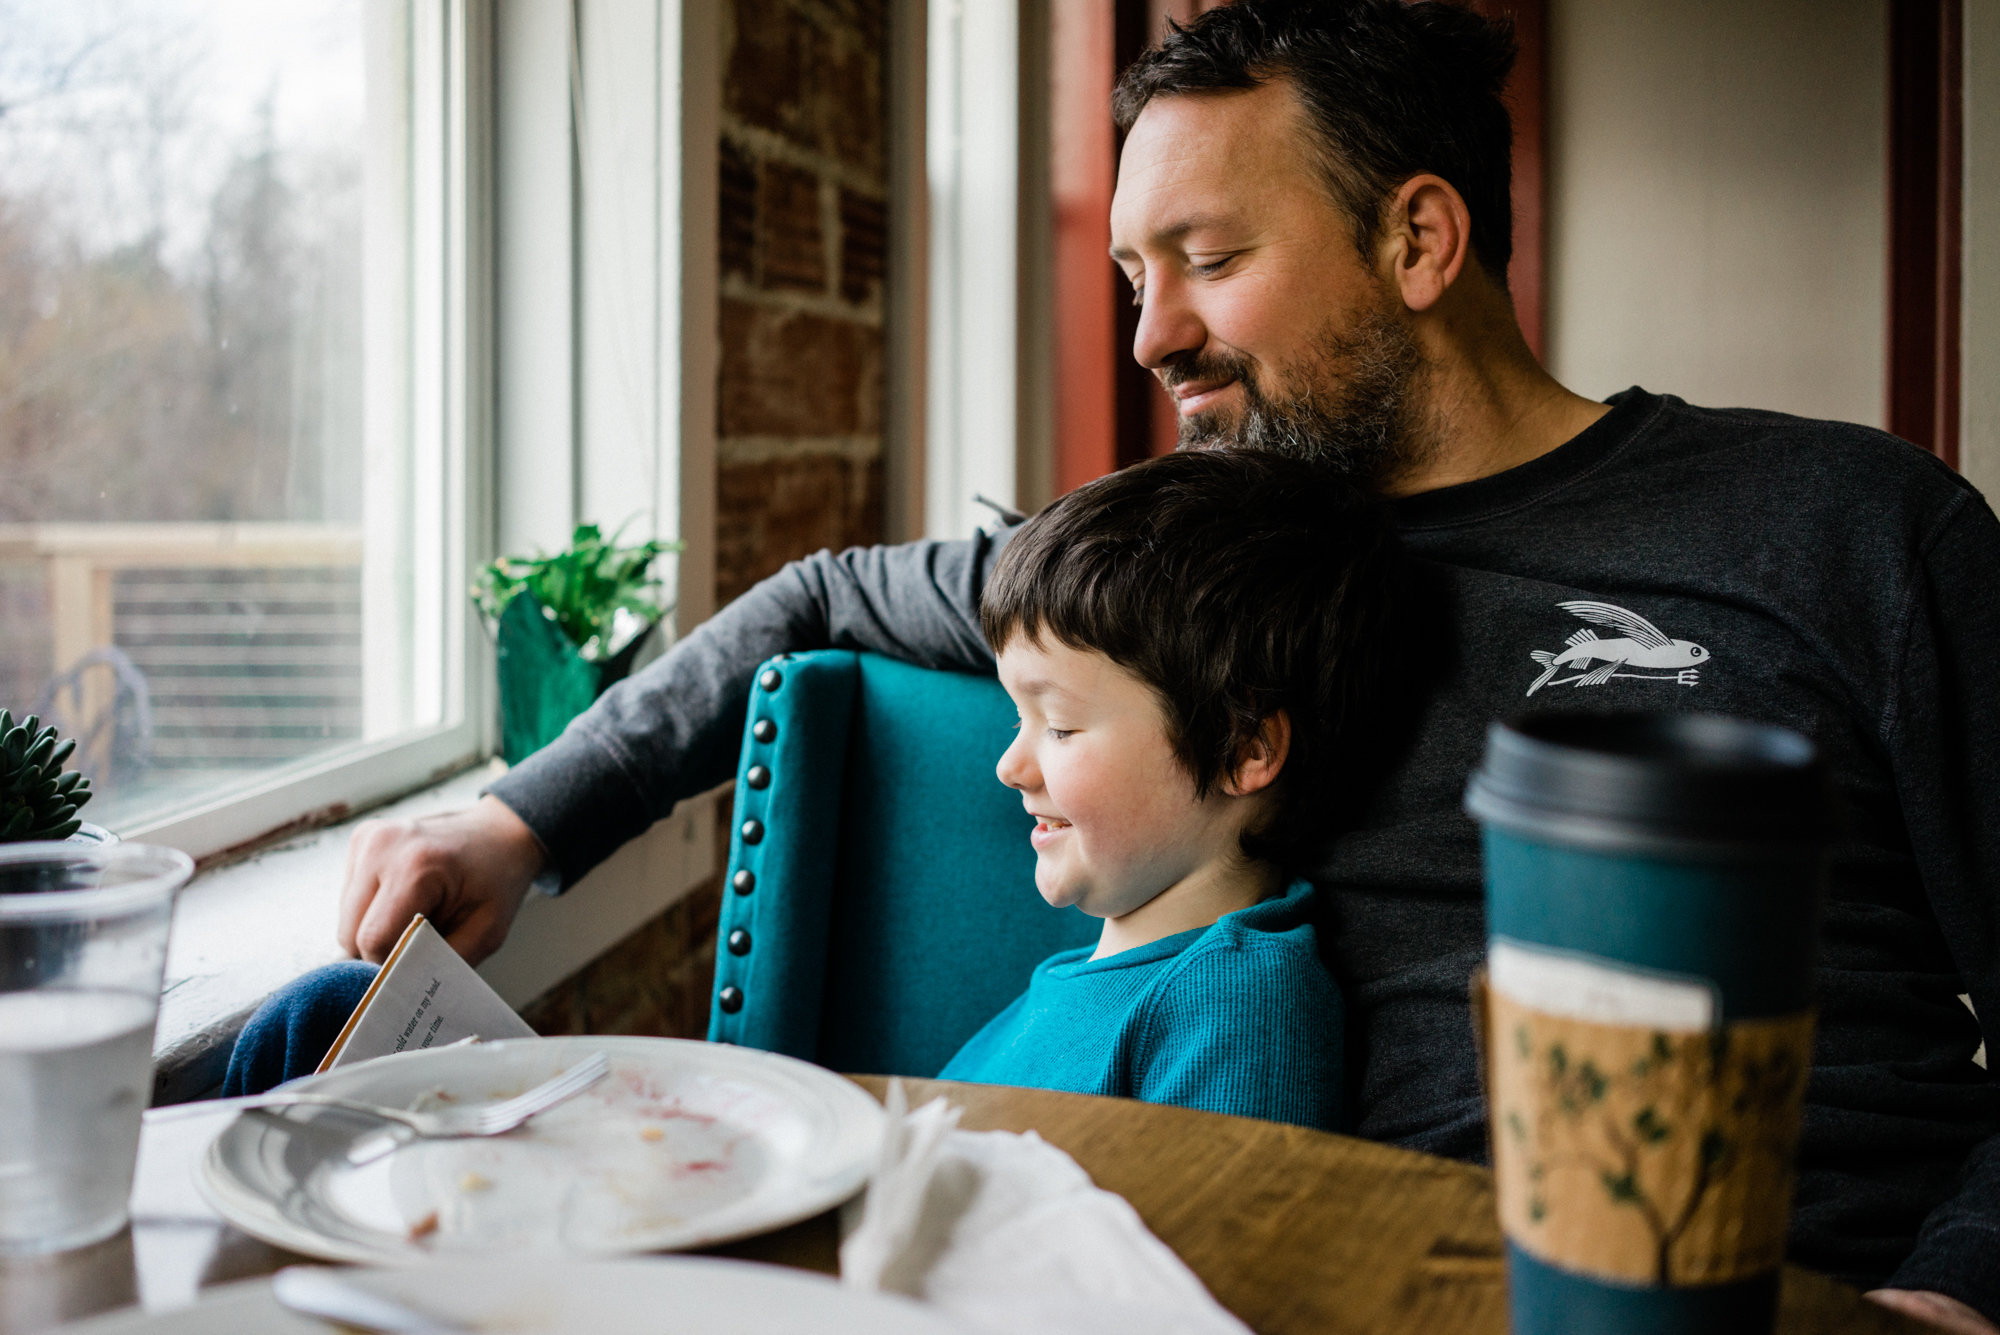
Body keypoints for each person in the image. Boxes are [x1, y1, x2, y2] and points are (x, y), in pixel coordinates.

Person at [232, 3, 1998, 1327]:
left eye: (1212, 262)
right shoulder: (1191, 571)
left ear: (1421, 242)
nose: (1154, 336)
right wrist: (520, 822)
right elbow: (822, 598)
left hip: (1784, 1287)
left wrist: (1953, 1295)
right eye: (1134, 273)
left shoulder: (1848, 528)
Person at [939, 449, 1396, 1127]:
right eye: (1019, 717)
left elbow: (1219, 1231)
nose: (1011, 765)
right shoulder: (1083, 985)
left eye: (1059, 726)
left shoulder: (1239, 1006)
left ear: (1243, 747)